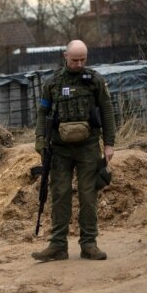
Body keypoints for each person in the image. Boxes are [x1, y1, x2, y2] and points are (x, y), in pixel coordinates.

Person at [32, 40, 116, 262]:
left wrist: (109, 143)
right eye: (75, 60)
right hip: (59, 149)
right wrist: (40, 140)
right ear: (65, 56)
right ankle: (58, 245)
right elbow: (43, 112)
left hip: (88, 147)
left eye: (83, 60)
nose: (79, 64)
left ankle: (89, 244)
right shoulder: (51, 84)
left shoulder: (95, 81)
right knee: (60, 195)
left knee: (88, 196)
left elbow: (107, 110)